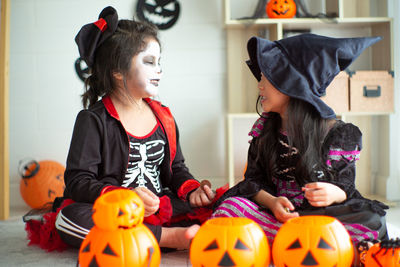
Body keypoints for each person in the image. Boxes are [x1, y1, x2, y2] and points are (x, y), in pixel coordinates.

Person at [48, 6, 220, 250]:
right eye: (149, 62)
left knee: (228, 203)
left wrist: (193, 191)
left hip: (160, 206)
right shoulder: (93, 120)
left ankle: (149, 236)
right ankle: (166, 238)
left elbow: (176, 169)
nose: (159, 69)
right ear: (118, 71)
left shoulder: (164, 116)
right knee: (70, 219)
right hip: (116, 210)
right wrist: (124, 196)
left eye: (159, 61)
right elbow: (78, 181)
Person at [212, 34, 389, 250]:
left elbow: (346, 187)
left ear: (292, 85)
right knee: (230, 207)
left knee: (373, 219)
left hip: (321, 216)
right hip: (277, 215)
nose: (259, 86)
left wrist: (333, 193)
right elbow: (253, 181)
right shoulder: (265, 130)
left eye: (266, 78)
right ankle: (306, 241)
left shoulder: (339, 134)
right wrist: (272, 203)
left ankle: (285, 241)